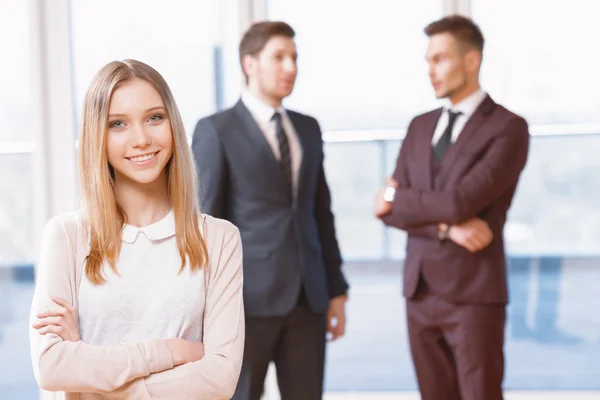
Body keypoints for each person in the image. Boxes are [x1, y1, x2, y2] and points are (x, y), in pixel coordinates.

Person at [29, 59, 244, 399]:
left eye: (154, 118)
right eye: (118, 124)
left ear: (172, 123)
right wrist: (172, 352)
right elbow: (52, 367)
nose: (141, 138)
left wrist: (91, 371)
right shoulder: (66, 236)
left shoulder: (219, 239)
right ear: (96, 136)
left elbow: (219, 378)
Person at [374, 15, 530, 400]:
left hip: (474, 294)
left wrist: (399, 197)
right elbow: (389, 212)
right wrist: (446, 228)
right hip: (420, 291)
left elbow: (459, 202)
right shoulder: (419, 126)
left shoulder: (508, 127)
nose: (431, 70)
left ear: (472, 60)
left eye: (440, 59)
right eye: (428, 60)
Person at [192, 21, 349, 400]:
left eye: (294, 58)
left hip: (308, 299)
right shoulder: (217, 129)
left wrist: (336, 289)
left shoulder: (308, 129)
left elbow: (320, 212)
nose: (290, 67)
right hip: (245, 303)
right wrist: (204, 309)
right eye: (278, 57)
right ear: (249, 64)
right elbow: (205, 222)